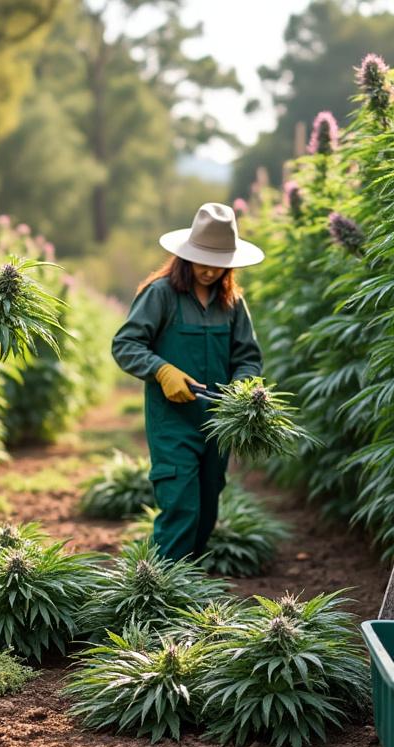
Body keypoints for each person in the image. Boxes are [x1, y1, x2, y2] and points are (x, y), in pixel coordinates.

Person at [111, 203, 264, 562]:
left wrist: (241, 390)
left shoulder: (232, 303)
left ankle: (189, 588)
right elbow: (125, 344)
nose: (210, 270)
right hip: (173, 423)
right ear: (185, 257)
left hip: (219, 424)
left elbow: (248, 356)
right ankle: (164, 595)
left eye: (219, 262)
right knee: (180, 506)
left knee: (207, 506)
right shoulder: (161, 293)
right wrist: (162, 370)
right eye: (202, 260)